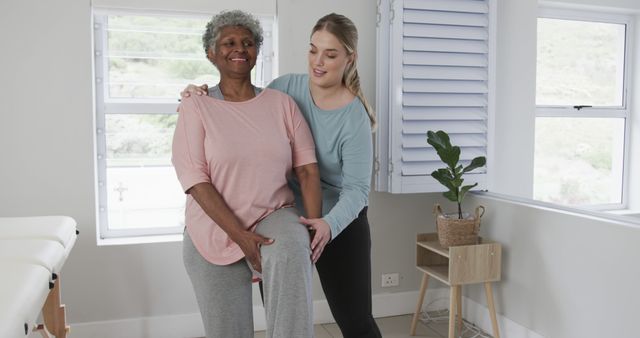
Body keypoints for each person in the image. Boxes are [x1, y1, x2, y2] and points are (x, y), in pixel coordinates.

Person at [182, 13, 382, 338]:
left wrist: (326, 226)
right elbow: (247, 106)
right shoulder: (287, 88)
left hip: (336, 219)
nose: (318, 62)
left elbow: (358, 191)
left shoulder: (354, 117)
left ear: (349, 58)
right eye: (313, 50)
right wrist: (201, 94)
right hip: (279, 216)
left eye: (330, 55)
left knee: (355, 320)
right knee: (279, 314)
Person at [172, 10, 322, 338]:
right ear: (211, 53)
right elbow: (195, 180)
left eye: (248, 42)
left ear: (256, 52)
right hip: (212, 226)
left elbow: (308, 170)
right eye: (229, 43)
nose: (239, 48)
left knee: (293, 251)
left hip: (273, 214)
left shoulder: (282, 104)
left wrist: (312, 229)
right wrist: (240, 237)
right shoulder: (195, 106)